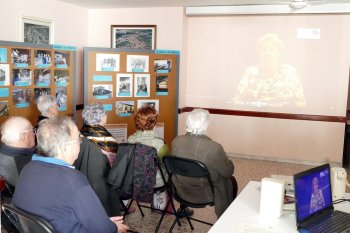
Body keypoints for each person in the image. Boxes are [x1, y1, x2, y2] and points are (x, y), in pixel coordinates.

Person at [12, 117, 129, 233]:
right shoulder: (74, 180)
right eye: (78, 139)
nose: (80, 142)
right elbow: (104, 230)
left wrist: (104, 223)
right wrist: (114, 228)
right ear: (65, 147)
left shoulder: (27, 168)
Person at [171, 108, 238, 218]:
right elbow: (228, 172)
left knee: (185, 170)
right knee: (230, 181)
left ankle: (183, 209)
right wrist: (228, 161)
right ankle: (225, 218)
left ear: (188, 122)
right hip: (206, 194)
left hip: (181, 190)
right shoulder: (214, 148)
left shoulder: (176, 141)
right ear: (206, 125)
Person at [128, 106, 183, 213]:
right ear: (154, 123)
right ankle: (159, 205)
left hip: (135, 180)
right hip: (155, 182)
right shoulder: (159, 143)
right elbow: (167, 164)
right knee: (165, 174)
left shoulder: (130, 139)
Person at [233, 33, 305, 108]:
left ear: (279, 54)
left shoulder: (291, 72)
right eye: (263, 50)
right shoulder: (250, 72)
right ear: (259, 54)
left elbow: (301, 103)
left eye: (271, 50)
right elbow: (236, 100)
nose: (267, 53)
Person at [75, 103, 120, 216]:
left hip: (80, 183)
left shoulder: (79, 135)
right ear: (102, 118)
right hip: (103, 188)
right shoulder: (107, 141)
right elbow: (116, 166)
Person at [0, 116, 36, 233]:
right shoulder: (29, 165)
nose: (34, 134)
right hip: (26, 222)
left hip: (7, 216)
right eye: (33, 131)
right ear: (23, 136)